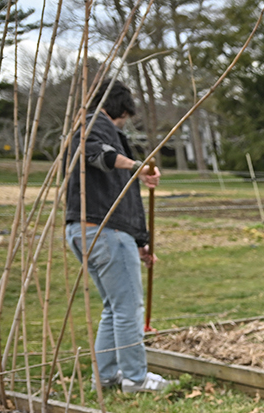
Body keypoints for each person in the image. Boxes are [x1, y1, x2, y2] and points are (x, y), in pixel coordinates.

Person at [64, 79, 167, 394]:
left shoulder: (100, 129)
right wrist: (139, 166)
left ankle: (106, 376)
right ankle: (136, 378)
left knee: (113, 306)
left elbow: (120, 194)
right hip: (103, 230)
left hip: (90, 230)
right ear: (120, 109)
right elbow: (98, 155)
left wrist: (139, 241)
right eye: (125, 116)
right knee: (127, 307)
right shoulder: (93, 126)